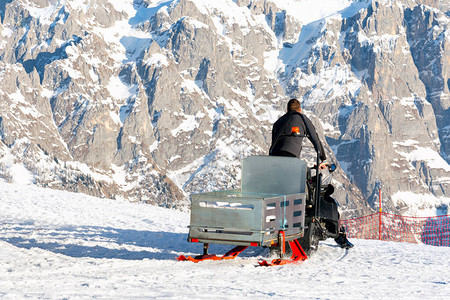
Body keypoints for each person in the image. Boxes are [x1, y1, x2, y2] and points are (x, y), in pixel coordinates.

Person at [269, 98, 327, 170]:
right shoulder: (302, 119)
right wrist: (323, 159)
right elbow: (315, 139)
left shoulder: (278, 121)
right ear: (300, 110)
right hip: (291, 158)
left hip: (274, 158)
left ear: (287, 109)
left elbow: (273, 142)